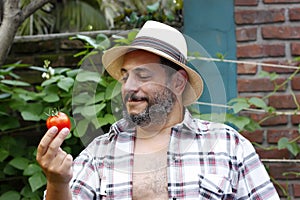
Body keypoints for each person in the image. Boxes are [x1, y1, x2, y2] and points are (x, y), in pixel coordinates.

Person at [36, 20, 280, 200]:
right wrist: (57, 183)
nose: (129, 87)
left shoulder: (229, 144)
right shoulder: (99, 152)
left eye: (142, 75)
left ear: (177, 82)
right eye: (125, 76)